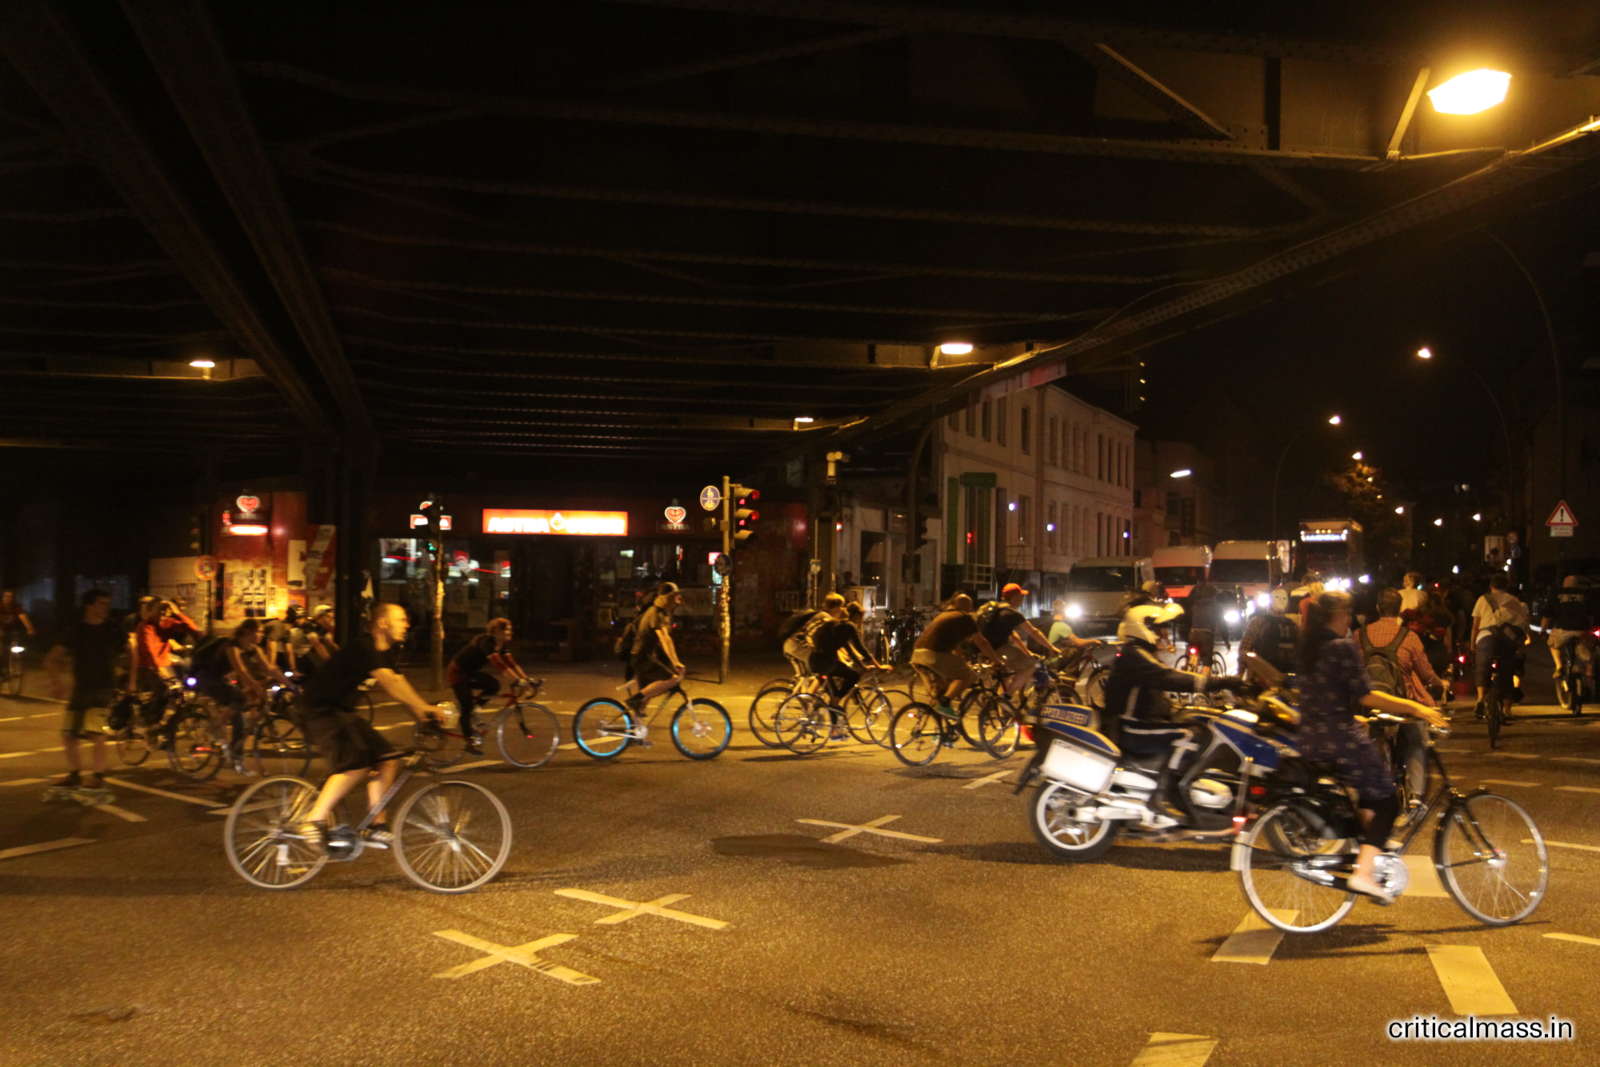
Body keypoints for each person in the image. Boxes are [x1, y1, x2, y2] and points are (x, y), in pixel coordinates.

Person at [1295, 590, 1447, 901]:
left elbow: (1322, 694)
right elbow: (1367, 695)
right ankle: (1364, 873)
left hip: (1312, 737)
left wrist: (1353, 718)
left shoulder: (1309, 648)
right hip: (1341, 739)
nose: (1349, 620)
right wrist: (1417, 708)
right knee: (1388, 801)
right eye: (1346, 614)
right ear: (1337, 616)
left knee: (1367, 793)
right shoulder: (1341, 647)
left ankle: (1370, 850)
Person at [297, 603, 443, 849]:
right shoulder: (364, 647)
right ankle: (313, 820)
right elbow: (388, 683)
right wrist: (426, 709)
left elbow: (399, 682)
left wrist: (423, 714)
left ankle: (376, 826)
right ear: (383, 623)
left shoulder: (385, 653)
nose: (407, 625)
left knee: (389, 757)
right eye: (402, 619)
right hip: (318, 711)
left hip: (342, 712)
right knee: (356, 765)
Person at [1102, 601, 1242, 814]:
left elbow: (1154, 690)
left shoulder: (1138, 653)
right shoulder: (1135, 655)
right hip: (1133, 728)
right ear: (1143, 628)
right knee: (1192, 735)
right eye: (1159, 629)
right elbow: (1168, 677)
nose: (1164, 634)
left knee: (1198, 721)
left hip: (1139, 723)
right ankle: (1165, 794)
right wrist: (1219, 682)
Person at [1358, 589, 1444, 803]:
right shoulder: (1409, 637)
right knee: (1416, 739)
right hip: (1402, 702)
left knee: (1371, 738)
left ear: (1378, 608)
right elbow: (1425, 672)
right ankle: (1415, 794)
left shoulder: (1358, 635)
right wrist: (1438, 684)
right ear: (1399, 610)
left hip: (1370, 703)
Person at [41, 589, 123, 792]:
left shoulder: (113, 629)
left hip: (103, 686)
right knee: (69, 733)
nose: (105, 608)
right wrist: (56, 682)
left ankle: (97, 775)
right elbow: (52, 658)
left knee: (95, 732)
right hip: (81, 687)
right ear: (89, 605)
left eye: (107, 604)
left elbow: (131, 650)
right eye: (101, 603)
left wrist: (129, 679)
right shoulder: (77, 630)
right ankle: (74, 774)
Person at [448, 617, 532, 755]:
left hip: (470, 672)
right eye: (505, 629)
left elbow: (512, 664)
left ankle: (477, 708)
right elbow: (499, 664)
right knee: (466, 707)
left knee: (493, 685)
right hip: (457, 673)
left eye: (510, 629)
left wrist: (527, 679)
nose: (509, 632)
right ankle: (470, 742)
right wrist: (517, 681)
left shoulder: (502, 645)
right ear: (496, 631)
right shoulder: (486, 642)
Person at [909, 594, 1000, 719]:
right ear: (966, 607)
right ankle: (945, 704)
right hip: (934, 655)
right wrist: (996, 660)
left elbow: (953, 645)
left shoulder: (944, 616)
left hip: (917, 655)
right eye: (970, 606)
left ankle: (939, 730)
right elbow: (982, 642)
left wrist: (961, 659)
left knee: (941, 691)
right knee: (968, 675)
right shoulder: (964, 617)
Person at [808, 600, 881, 739]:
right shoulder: (850, 627)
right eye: (861, 618)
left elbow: (851, 651)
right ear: (857, 616)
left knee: (833, 697)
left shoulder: (838, 625)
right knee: (853, 676)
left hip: (815, 660)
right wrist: (879, 666)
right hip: (826, 663)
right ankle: (833, 712)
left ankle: (834, 730)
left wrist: (864, 666)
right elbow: (861, 649)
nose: (861, 622)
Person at [127, 595, 199, 736]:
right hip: (148, 667)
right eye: (158, 610)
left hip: (164, 665)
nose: (162, 613)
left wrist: (178, 613)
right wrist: (158, 669)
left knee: (181, 693)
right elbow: (149, 650)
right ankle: (151, 724)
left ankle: (166, 724)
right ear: (150, 611)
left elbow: (194, 630)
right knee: (165, 691)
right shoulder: (144, 627)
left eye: (164, 611)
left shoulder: (167, 624)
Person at [978, 583, 1056, 699]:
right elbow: (1033, 632)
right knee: (1031, 665)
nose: (1022, 600)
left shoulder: (997, 610)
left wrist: (1027, 652)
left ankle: (1000, 707)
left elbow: (1014, 636)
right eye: (1021, 597)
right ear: (1014, 598)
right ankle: (1006, 697)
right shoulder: (1012, 613)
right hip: (998, 649)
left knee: (1006, 676)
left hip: (983, 649)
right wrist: (1052, 648)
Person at [1470, 574, 1529, 719]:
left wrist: (1472, 644)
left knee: (1482, 666)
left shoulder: (1483, 599)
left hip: (1486, 636)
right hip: (1508, 638)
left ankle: (1480, 699)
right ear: (1507, 586)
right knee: (1508, 670)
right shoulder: (1515, 601)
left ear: (1491, 586)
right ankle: (1507, 710)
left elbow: (1475, 625)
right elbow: (1523, 625)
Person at [627, 582, 687, 711]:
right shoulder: (655, 613)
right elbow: (664, 639)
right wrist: (676, 662)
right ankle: (634, 700)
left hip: (645, 655)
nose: (678, 599)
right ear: (668, 597)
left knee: (645, 697)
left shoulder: (663, 613)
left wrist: (674, 661)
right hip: (641, 657)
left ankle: (635, 728)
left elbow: (668, 640)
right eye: (675, 596)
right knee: (672, 679)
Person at [1542, 575, 1595, 685]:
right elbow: (1591, 615)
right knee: (1588, 650)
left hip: (1562, 630)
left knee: (1552, 644)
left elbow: (1547, 615)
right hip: (1582, 630)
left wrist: (1543, 630)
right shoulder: (1586, 594)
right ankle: (1589, 671)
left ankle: (1559, 666)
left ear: (1564, 583)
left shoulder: (1556, 593)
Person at [1238, 587, 1299, 675]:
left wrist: (1240, 673)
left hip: (1262, 674)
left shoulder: (1258, 622)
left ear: (1269, 604)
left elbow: (1245, 649)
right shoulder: (1293, 625)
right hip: (1286, 676)